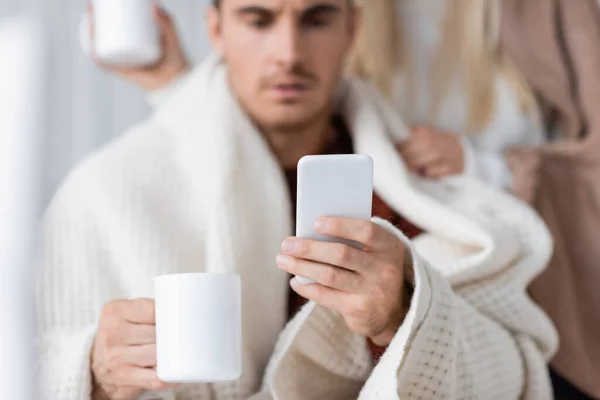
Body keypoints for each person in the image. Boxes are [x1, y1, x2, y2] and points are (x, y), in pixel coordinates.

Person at [37, 1, 558, 399]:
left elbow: (516, 371)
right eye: (259, 20)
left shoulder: (423, 197)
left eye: (316, 19)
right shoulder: (107, 190)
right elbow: (30, 364)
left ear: (351, 30)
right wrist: (94, 372)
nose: (288, 53)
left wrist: (401, 316)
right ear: (216, 31)